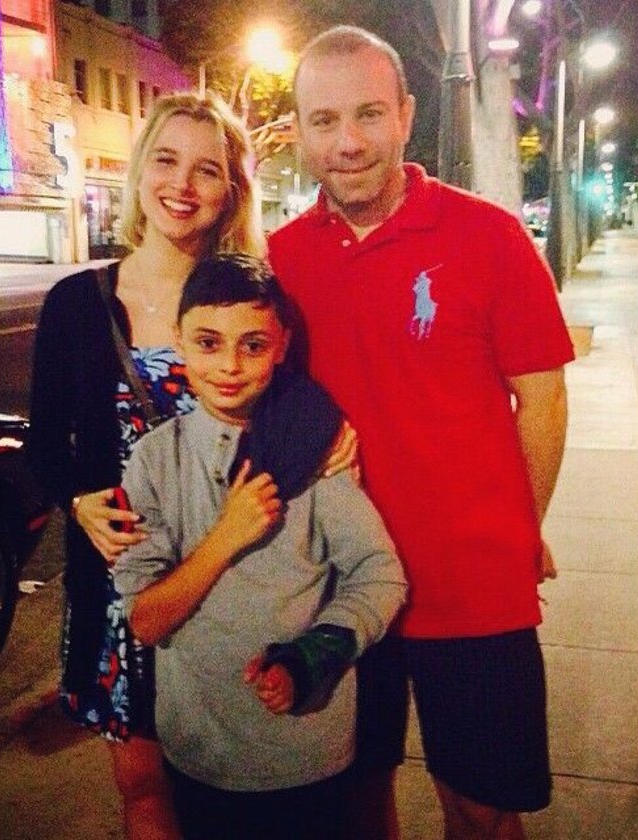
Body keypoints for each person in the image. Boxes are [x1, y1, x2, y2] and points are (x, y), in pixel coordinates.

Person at [268, 25, 575, 840]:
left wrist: (522, 528)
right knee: (353, 798)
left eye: (369, 113)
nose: (348, 141)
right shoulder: (280, 262)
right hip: (333, 588)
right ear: (299, 132)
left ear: (406, 114)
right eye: (325, 120)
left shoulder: (490, 238)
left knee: (481, 808)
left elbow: (543, 401)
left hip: (472, 591)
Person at [27, 91, 265, 840]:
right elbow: (43, 445)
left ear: (231, 190)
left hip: (232, 575)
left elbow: (291, 417)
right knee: (143, 787)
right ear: (139, 172)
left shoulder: (252, 301)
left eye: (206, 170)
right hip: (122, 586)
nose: (181, 185)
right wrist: (78, 501)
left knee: (238, 786)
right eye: (166, 160)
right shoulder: (77, 303)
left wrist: (333, 436)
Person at [112, 253, 408, 840]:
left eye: (252, 345)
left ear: (281, 345)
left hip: (308, 753)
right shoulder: (154, 460)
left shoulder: (315, 450)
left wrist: (315, 655)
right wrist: (227, 535)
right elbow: (145, 621)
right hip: (198, 750)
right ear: (178, 340)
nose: (229, 366)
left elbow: (379, 572)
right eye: (208, 342)